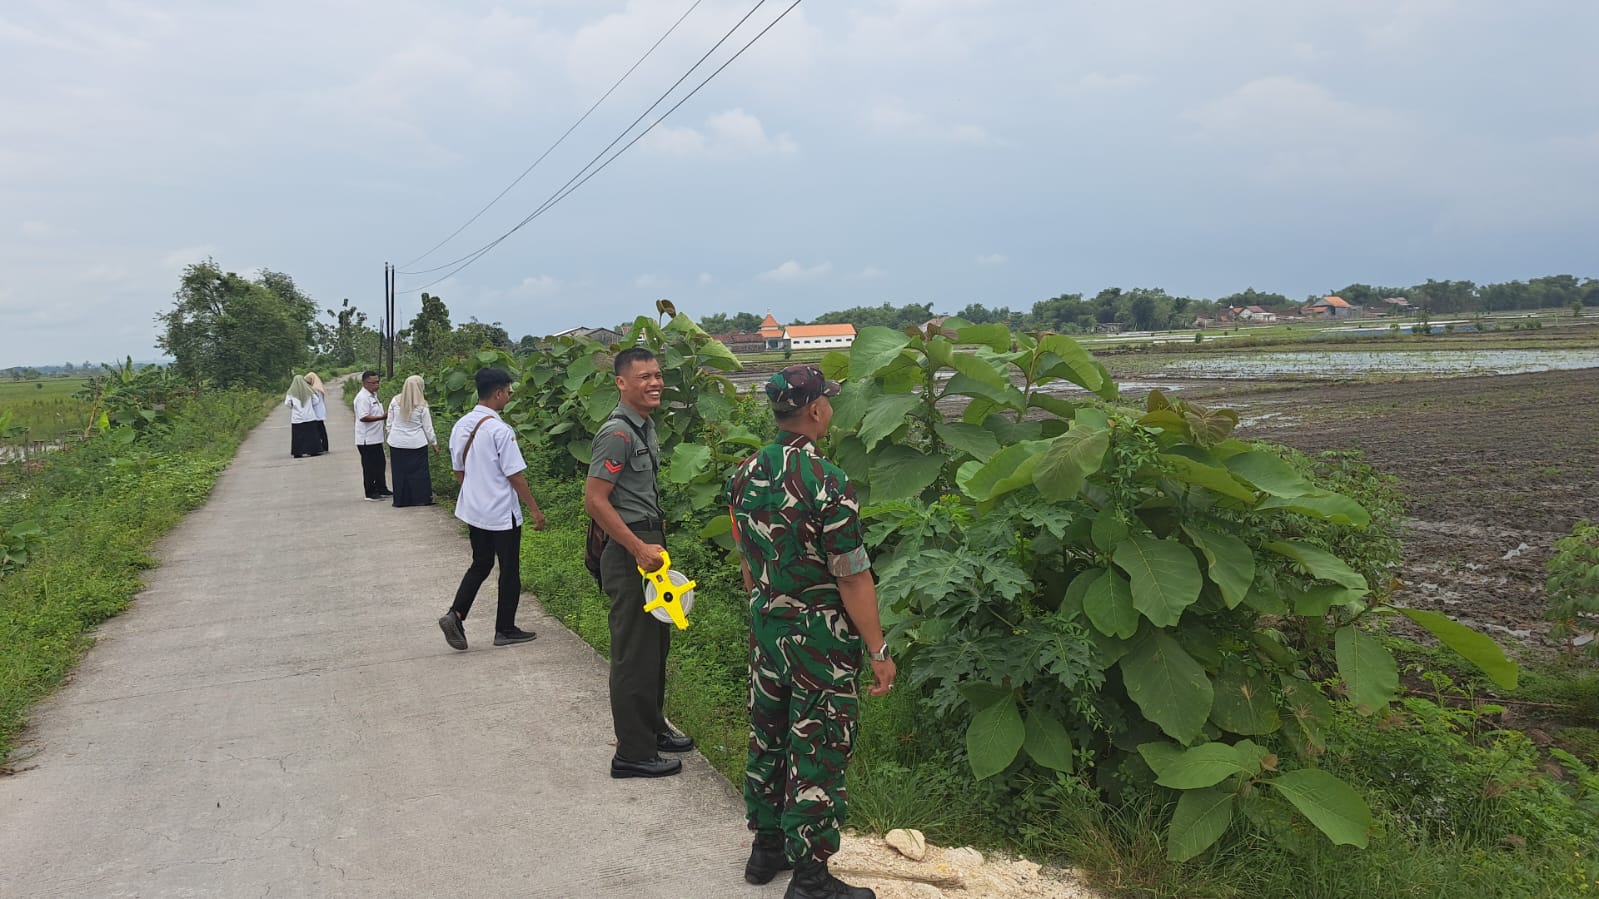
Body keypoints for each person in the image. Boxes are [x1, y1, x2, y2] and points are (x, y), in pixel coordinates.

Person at [725, 364, 895, 899]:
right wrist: (878, 650)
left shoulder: (744, 473)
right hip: (819, 641)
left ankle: (766, 848)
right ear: (817, 410)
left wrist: (769, 604)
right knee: (817, 745)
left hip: (767, 629)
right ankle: (811, 879)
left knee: (769, 735)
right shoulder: (828, 481)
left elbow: (748, 559)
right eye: (829, 402)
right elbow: (852, 577)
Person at [583, 347, 694, 779]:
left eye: (658, 375)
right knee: (633, 653)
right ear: (621, 382)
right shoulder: (618, 433)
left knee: (654, 646)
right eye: (644, 377)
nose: (655, 383)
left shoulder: (643, 426)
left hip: (648, 543)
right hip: (630, 548)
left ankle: (653, 729)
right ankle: (631, 753)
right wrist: (637, 548)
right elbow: (596, 500)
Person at [437, 368, 546, 650]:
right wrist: (535, 510)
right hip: (501, 512)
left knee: (481, 563)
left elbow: (458, 470)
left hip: (474, 511)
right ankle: (505, 629)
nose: (509, 397)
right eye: (508, 392)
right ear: (497, 393)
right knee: (509, 570)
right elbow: (515, 475)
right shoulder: (501, 430)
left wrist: (475, 493)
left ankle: (456, 614)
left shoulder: (461, 425)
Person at [385, 375, 438, 507]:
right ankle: (422, 498)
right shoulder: (422, 405)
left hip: (396, 443)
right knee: (420, 472)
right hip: (416, 444)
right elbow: (428, 427)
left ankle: (401, 500)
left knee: (399, 473)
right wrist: (434, 443)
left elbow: (389, 422)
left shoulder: (395, 401)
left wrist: (392, 434)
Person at [353, 370, 390, 501]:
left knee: (380, 464)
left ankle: (381, 488)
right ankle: (370, 492)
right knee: (370, 467)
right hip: (366, 439)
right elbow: (363, 417)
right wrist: (382, 417)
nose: (376, 385)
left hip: (376, 438)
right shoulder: (362, 398)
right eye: (373, 383)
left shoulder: (373, 395)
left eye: (377, 382)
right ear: (365, 383)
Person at [284, 375, 323, 458]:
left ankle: (298, 452)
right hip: (309, 416)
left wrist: (293, 406)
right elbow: (316, 401)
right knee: (311, 435)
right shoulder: (309, 390)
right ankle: (313, 451)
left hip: (297, 418)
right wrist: (310, 405)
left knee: (298, 436)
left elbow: (287, 403)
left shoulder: (290, 393)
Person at [305, 371, 330, 454]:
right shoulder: (319, 387)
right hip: (320, 411)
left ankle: (322, 447)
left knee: (318, 431)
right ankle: (325, 446)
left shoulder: (314, 389)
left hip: (316, 412)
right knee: (322, 429)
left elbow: (314, 401)